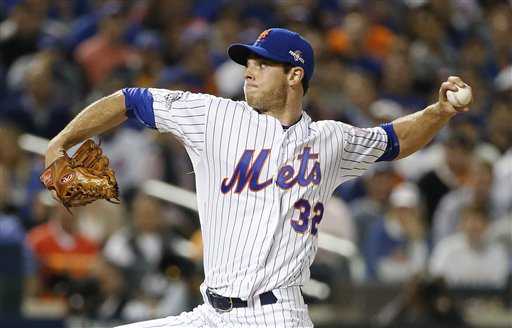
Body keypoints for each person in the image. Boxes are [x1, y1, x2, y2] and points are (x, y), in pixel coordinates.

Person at [43, 28, 472, 327]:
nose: (248, 70)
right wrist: (61, 141)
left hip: (275, 315)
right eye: (248, 61)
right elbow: (128, 99)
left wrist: (440, 112)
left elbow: (393, 139)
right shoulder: (214, 116)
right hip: (210, 314)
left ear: (294, 74)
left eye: (262, 64)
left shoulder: (330, 140)